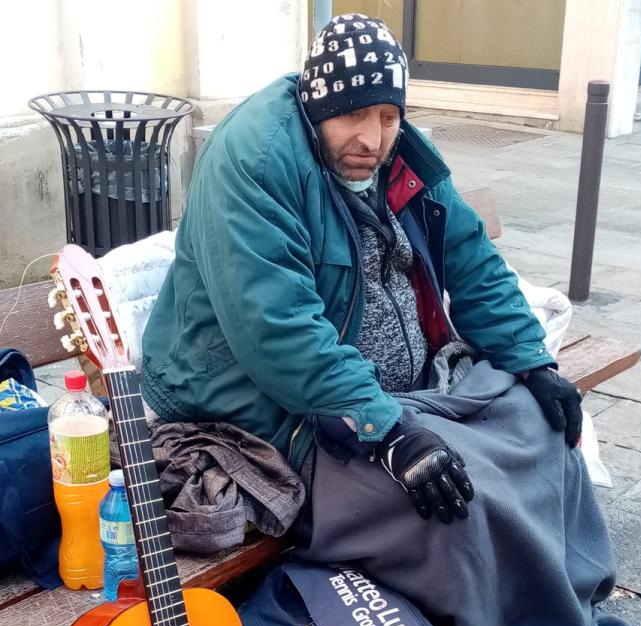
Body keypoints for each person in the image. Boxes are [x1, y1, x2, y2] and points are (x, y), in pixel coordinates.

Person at [141, 13, 582, 524]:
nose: (373, 139)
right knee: (455, 515)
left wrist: (532, 361)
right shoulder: (254, 163)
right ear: (317, 107)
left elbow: (471, 258)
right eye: (353, 115)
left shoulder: (400, 154)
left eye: (389, 116)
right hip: (275, 405)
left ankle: (563, 577)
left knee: (541, 434)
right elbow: (276, 326)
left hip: (399, 396)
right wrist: (388, 432)